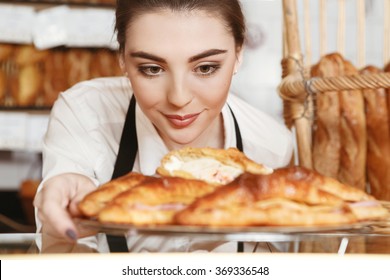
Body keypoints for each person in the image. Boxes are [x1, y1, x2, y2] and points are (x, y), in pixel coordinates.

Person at [34, 0, 293, 253]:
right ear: (123, 59)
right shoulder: (85, 113)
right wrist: (63, 204)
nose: (179, 98)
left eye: (205, 68)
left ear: (238, 55)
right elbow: (64, 262)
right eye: (151, 69)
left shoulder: (271, 147)